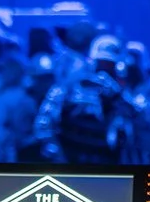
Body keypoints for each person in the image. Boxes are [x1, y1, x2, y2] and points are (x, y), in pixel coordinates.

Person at [34, 36, 134, 164]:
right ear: (91, 62)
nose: (104, 71)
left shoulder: (118, 94)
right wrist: (56, 156)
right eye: (101, 64)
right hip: (69, 162)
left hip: (104, 167)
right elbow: (44, 122)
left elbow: (135, 116)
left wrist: (116, 95)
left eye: (110, 66)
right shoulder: (69, 87)